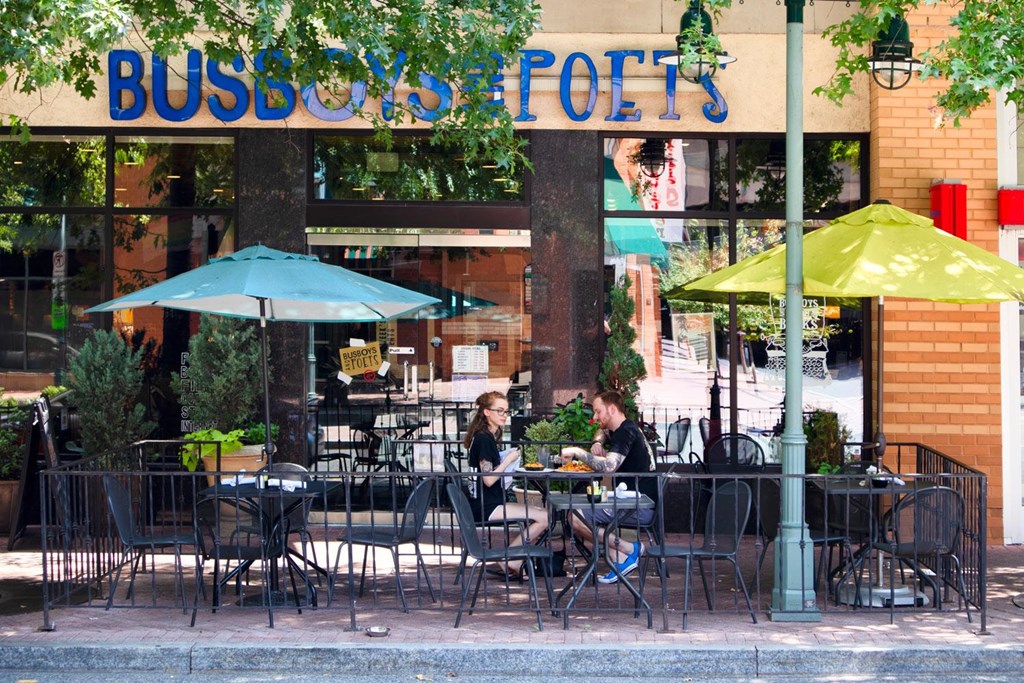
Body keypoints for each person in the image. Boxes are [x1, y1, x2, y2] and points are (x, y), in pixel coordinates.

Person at [558, 389, 656, 584]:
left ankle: (629, 550)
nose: (595, 417)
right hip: (632, 500)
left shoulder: (625, 432)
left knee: (576, 518)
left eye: (598, 412)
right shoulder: (622, 429)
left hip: (638, 505)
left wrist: (578, 451)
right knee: (584, 530)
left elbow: (609, 466)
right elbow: (602, 432)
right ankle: (621, 560)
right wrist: (597, 441)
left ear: (611, 409)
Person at [464, 390, 549, 579]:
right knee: (545, 517)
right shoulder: (484, 439)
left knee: (544, 515)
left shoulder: (484, 437)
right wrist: (508, 460)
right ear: (486, 412)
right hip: (487, 505)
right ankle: (510, 558)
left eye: (506, 411)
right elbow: (489, 479)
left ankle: (512, 558)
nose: (504, 415)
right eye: (499, 411)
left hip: (488, 501)